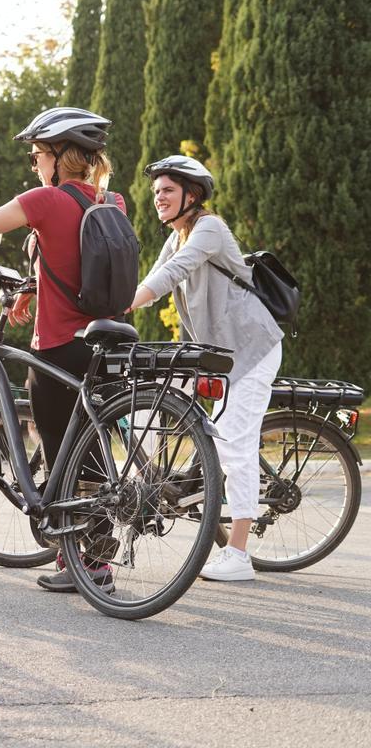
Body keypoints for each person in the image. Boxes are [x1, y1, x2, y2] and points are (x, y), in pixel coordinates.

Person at [0, 106, 120, 594]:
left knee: (58, 449)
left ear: (57, 156)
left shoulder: (46, 200)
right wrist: (34, 284)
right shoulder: (113, 202)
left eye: (37, 155)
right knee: (88, 452)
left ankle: (80, 560)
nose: (34, 166)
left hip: (59, 344)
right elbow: (83, 264)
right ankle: (94, 561)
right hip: (105, 341)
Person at [129, 155, 283, 582]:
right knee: (147, 393)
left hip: (250, 349)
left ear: (191, 196)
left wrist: (126, 301)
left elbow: (173, 274)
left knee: (235, 444)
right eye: (156, 190)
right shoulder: (175, 237)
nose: (158, 197)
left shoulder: (208, 229)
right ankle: (170, 480)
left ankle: (238, 555)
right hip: (214, 353)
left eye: (168, 191)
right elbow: (156, 276)